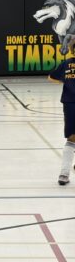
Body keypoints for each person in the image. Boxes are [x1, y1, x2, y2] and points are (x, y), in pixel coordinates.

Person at [48, 47, 75, 185]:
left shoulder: (66, 64)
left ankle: (64, 174)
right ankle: (64, 172)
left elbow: (51, 77)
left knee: (71, 138)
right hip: (70, 102)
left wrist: (66, 80)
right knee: (72, 139)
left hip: (69, 102)